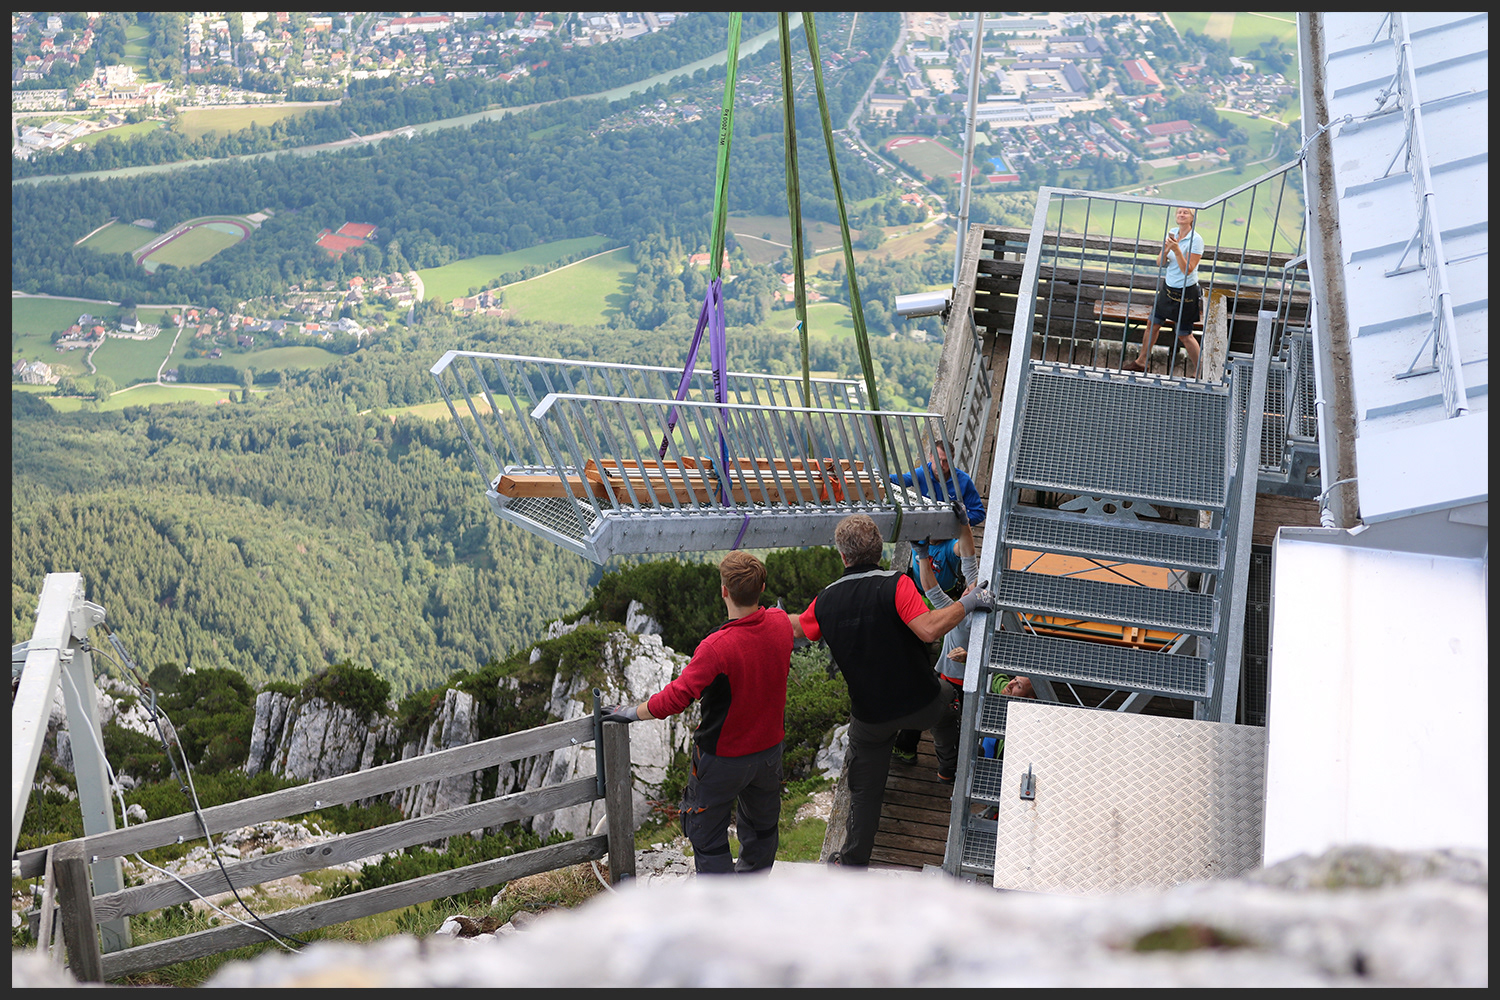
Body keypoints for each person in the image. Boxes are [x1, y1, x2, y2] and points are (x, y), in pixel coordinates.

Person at [791, 514, 995, 868]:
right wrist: (970, 602)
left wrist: (757, 618)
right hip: (921, 700)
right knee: (946, 710)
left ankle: (852, 861)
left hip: (870, 716)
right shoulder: (895, 584)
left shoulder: (825, 601)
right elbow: (929, 630)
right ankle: (948, 768)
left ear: (843, 556)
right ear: (879, 547)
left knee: (864, 794)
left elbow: (801, 629)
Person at [603, 552, 792, 875]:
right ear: (762, 587)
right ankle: (753, 898)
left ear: (724, 592)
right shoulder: (781, 623)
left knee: (708, 836)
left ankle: (720, 911)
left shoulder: (717, 647)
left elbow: (676, 699)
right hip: (768, 754)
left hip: (722, 759)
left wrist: (629, 713)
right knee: (762, 831)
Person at [893, 511, 982, 765]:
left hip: (964, 683)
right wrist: (964, 524)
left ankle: (955, 764)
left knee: (949, 721)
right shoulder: (963, 606)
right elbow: (939, 584)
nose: (968, 587)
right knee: (948, 720)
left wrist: (970, 656)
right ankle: (947, 760)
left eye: (972, 587)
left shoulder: (967, 612)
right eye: (969, 586)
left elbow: (941, 585)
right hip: (949, 676)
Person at [1123, 206, 1206, 375]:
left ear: (1192, 218)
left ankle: (1201, 372)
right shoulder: (1172, 232)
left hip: (1186, 292)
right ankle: (1141, 362)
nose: (1181, 214)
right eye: (1179, 212)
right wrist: (1167, 249)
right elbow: (1160, 262)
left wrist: (1176, 250)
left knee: (1184, 335)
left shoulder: (1196, 240)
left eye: (1185, 213)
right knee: (1152, 324)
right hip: (1168, 288)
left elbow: (1188, 269)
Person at [889, 439, 985, 527]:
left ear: (952, 459)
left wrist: (960, 520)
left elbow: (979, 513)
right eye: (938, 460)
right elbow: (900, 480)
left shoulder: (963, 480)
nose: (941, 465)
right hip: (925, 531)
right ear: (930, 456)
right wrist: (883, 478)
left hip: (950, 534)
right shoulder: (922, 473)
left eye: (946, 461)